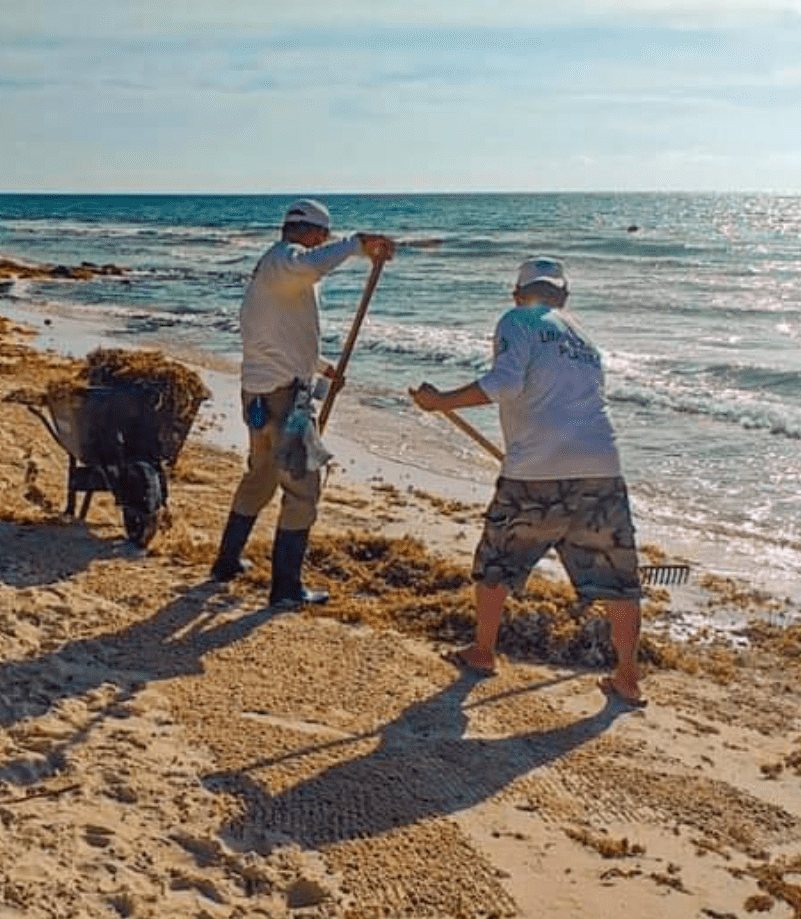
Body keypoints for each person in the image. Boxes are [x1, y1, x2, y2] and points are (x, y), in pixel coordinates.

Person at [409, 258, 647, 705]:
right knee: (619, 580)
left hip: (534, 470)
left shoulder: (517, 319)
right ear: (564, 296)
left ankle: (482, 652)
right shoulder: (583, 336)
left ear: (517, 293)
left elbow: (505, 383)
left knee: (496, 563)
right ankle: (628, 678)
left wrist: (441, 401)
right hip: (601, 467)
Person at [207, 199, 396, 607]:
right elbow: (313, 265)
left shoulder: (274, 269)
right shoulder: (287, 261)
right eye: (324, 237)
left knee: (260, 476)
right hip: (285, 398)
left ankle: (226, 562)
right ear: (314, 233)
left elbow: (281, 337)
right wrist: (358, 244)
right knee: (303, 489)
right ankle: (286, 588)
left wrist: (324, 368)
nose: (323, 243)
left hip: (261, 391)